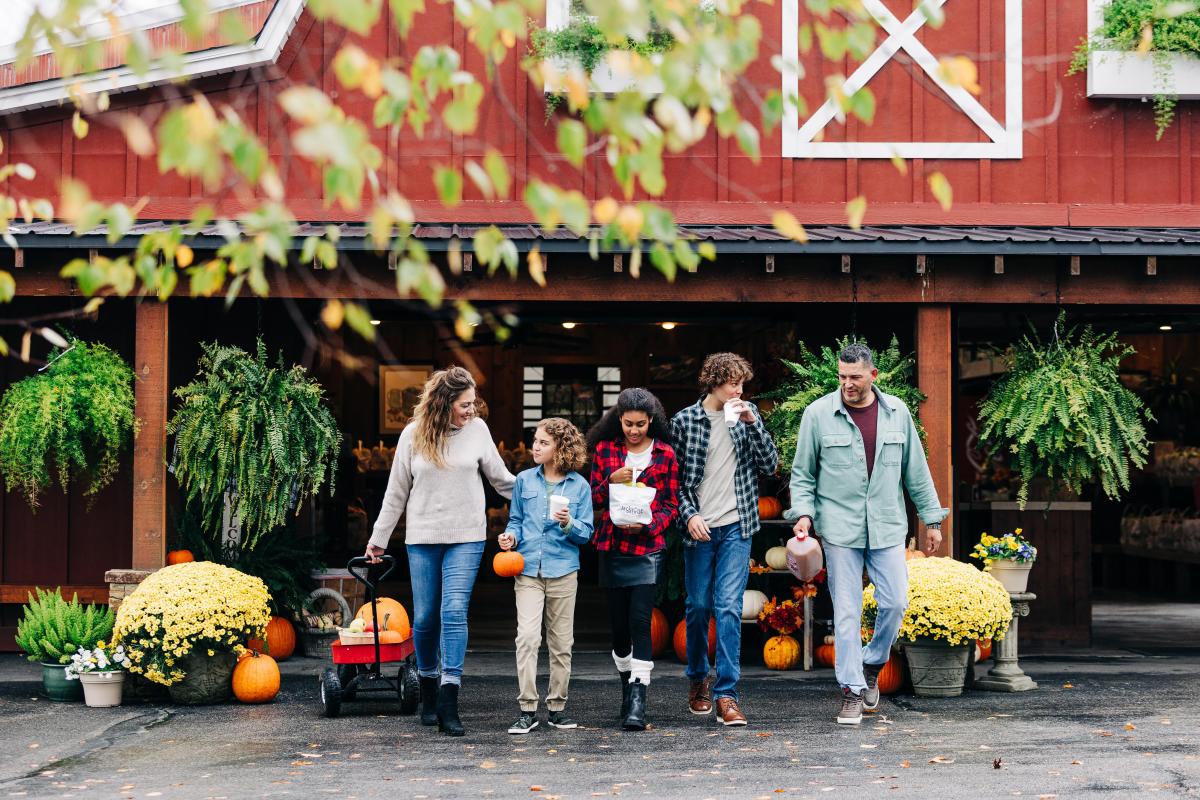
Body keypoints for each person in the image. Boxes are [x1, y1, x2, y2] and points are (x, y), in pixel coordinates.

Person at [789, 343, 946, 725]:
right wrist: (804, 515)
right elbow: (803, 474)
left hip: (888, 525)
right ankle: (852, 691)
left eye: (855, 377)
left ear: (872, 375)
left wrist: (933, 520)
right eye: (842, 377)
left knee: (894, 604)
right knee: (845, 611)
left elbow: (916, 470)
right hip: (839, 529)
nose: (848, 384)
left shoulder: (897, 413)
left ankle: (873, 663)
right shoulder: (817, 415)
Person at [365, 366, 515, 737]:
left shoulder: (478, 430)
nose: (472, 409)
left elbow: (503, 480)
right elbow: (396, 491)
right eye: (465, 404)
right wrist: (378, 538)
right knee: (427, 617)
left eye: (473, 402)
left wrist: (543, 495)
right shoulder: (413, 435)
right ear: (445, 403)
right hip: (422, 537)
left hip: (467, 536)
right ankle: (428, 686)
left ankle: (449, 697)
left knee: (453, 610)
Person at [670, 352, 778, 726]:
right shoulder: (685, 421)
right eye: (733, 383)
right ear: (714, 382)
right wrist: (690, 515)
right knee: (699, 606)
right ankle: (698, 678)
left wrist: (753, 424)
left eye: (742, 384)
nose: (739, 390)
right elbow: (677, 482)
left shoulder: (745, 417)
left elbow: (769, 464)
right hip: (700, 527)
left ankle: (726, 693)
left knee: (728, 606)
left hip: (737, 525)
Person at [587, 388, 679, 731]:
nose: (634, 431)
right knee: (619, 627)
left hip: (648, 547)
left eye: (641, 424)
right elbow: (592, 497)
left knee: (641, 621)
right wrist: (611, 480)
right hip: (612, 545)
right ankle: (626, 687)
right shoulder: (605, 450)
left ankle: (639, 695)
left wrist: (653, 525)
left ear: (651, 420)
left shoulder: (665, 454)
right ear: (619, 420)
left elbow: (672, 502)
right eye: (628, 424)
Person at [497, 418, 593, 735]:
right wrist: (509, 538)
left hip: (564, 569)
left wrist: (568, 522)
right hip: (527, 570)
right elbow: (516, 521)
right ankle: (527, 710)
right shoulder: (524, 480)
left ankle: (557, 709)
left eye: (542, 442)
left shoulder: (579, 486)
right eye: (535, 440)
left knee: (561, 643)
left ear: (560, 448)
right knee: (527, 638)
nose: (535, 447)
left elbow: (586, 534)